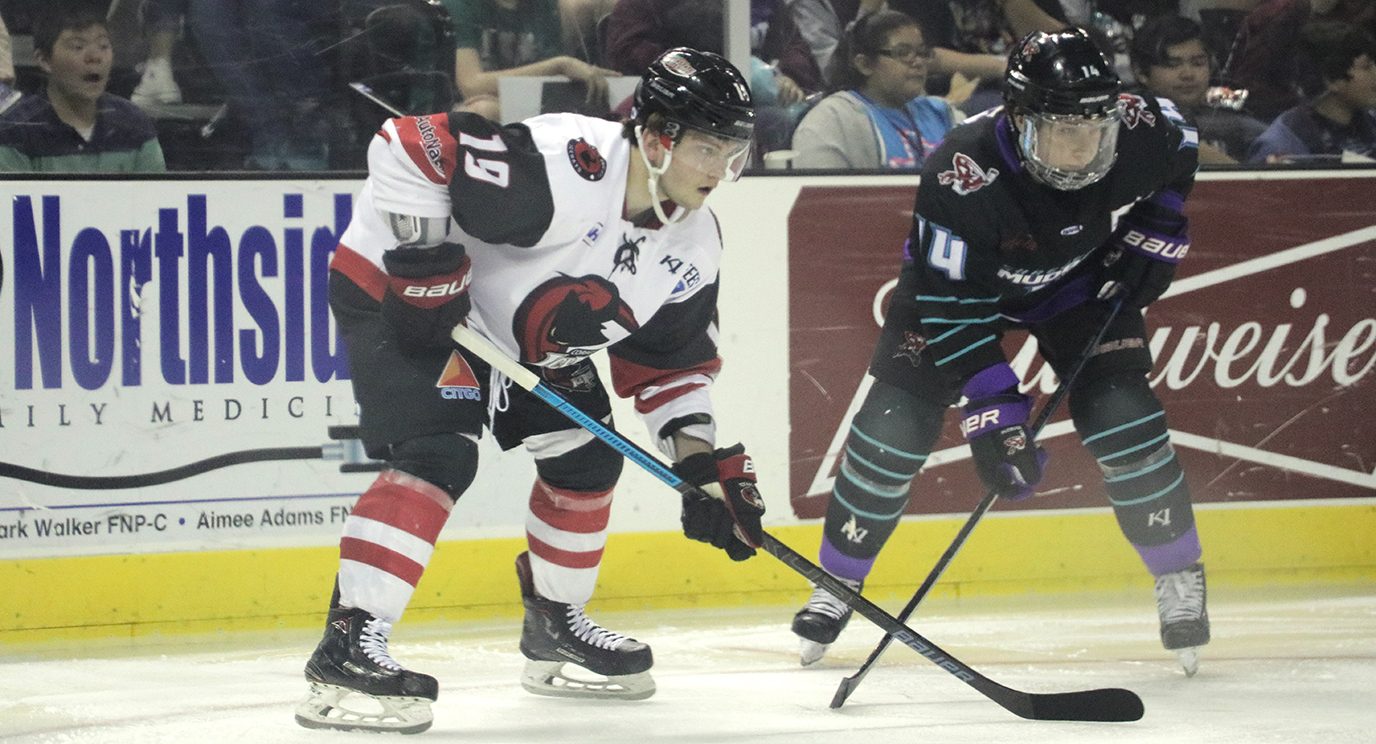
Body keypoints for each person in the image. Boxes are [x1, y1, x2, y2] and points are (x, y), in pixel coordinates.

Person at [296, 47, 768, 734]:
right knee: (439, 453)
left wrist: (700, 468)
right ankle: (347, 647)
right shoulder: (568, 166)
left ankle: (553, 625)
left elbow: (670, 367)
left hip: (520, 339)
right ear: (658, 137)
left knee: (586, 460)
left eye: (734, 151)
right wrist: (424, 259)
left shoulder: (694, 247)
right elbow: (408, 146)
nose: (721, 170)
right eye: (707, 147)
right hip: (409, 299)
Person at [790, 28, 1210, 677]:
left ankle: (1179, 573)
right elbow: (954, 302)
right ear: (1018, 117)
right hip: (958, 294)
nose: (1078, 152)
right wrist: (992, 401)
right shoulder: (962, 172)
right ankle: (837, 581)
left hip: (1079, 287)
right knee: (891, 428)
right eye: (1060, 131)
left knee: (1124, 416)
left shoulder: (1138, 125)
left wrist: (1160, 222)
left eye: (1093, 130)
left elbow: (1181, 150)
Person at [791, 9, 962, 169]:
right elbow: (823, 197)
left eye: (922, 52)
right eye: (903, 53)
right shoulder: (831, 121)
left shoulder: (943, 113)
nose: (917, 62)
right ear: (864, 64)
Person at [0, 7, 165, 172]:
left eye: (103, 46)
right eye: (78, 47)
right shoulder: (15, 130)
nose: (95, 57)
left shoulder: (135, 124)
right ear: (44, 60)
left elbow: (158, 195)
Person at [440, 0, 620, 121]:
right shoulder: (461, 5)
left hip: (531, 104)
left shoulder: (544, 6)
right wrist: (559, 65)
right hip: (460, 108)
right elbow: (471, 85)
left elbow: (551, 90)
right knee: (483, 111)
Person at [1129, 14, 1267, 164]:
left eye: (1198, 63)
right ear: (1141, 72)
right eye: (1172, 64)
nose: (1188, 75)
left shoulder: (1237, 124)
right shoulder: (1128, 124)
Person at [1247, 20, 1376, 164]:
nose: (1375, 73)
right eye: (1367, 67)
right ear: (1332, 80)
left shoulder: (1370, 123)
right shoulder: (1282, 147)